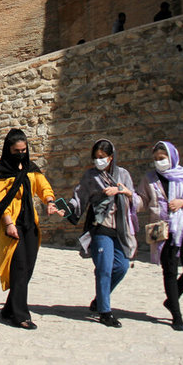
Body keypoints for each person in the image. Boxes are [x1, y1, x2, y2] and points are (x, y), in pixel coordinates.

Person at [65, 139, 139, 328]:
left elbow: (135, 199)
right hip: (100, 226)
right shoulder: (91, 176)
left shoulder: (123, 174)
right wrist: (67, 210)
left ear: (111, 157)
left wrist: (121, 191)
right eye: (96, 157)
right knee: (104, 268)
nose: (99, 161)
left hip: (120, 228)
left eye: (102, 157)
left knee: (121, 267)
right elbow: (79, 197)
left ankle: (99, 299)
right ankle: (105, 311)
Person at [0, 128, 59, 329]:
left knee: (28, 267)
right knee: (19, 267)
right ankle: (21, 315)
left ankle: (9, 307)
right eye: (16, 150)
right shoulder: (0, 170)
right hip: (11, 224)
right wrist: (9, 224)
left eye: (23, 149)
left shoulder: (31, 167)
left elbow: (42, 186)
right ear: (8, 149)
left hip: (30, 222)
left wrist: (49, 200)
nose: (21, 153)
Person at [136, 141, 183, 332]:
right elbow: (142, 199)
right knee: (170, 271)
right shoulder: (149, 178)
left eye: (162, 158)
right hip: (161, 229)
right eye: (156, 159)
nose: (159, 162)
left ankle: (171, 301)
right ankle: (177, 315)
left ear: (172, 157)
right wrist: (128, 197)